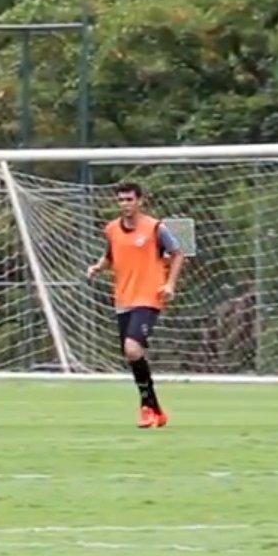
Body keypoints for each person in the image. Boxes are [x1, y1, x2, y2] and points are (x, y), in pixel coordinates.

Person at [85, 181, 185, 428]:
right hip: (123, 298)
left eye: (130, 199)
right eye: (121, 200)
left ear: (140, 201)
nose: (125, 204)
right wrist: (98, 267)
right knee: (132, 356)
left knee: (132, 348)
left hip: (149, 297)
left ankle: (146, 408)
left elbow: (178, 253)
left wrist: (169, 285)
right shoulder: (111, 229)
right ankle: (155, 410)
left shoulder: (155, 228)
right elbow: (110, 255)